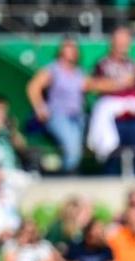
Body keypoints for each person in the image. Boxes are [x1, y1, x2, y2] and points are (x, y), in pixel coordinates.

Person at [85, 27, 135, 174]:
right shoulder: (103, 63)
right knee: (112, 153)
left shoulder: (133, 64)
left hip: (133, 114)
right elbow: (93, 85)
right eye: (120, 42)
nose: (123, 46)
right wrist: (121, 83)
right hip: (113, 115)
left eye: (126, 42)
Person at [26, 38, 88, 173]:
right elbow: (33, 87)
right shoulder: (53, 69)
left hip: (77, 117)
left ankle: (70, 174)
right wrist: (40, 108)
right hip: (59, 116)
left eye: (74, 48)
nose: (72, 51)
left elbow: (93, 85)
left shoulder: (78, 72)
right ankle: (67, 177)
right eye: (68, 47)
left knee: (76, 149)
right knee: (72, 148)